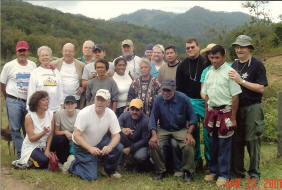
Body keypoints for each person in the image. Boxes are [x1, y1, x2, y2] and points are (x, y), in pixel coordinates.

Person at [229, 35, 268, 182]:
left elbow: (261, 88)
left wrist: (241, 81)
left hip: (253, 107)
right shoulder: (234, 65)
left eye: (242, 46)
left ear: (249, 48)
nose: (239, 49)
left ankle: (254, 174)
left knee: (252, 141)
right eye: (237, 47)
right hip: (236, 107)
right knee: (236, 140)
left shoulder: (257, 65)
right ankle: (238, 172)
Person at [201, 45, 242, 187]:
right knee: (212, 144)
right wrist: (207, 114)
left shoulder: (230, 72)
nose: (214, 60)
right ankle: (213, 171)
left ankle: (224, 174)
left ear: (224, 57)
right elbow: (206, 96)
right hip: (211, 112)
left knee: (224, 144)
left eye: (217, 57)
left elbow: (235, 97)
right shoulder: (208, 73)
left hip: (226, 113)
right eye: (211, 57)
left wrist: (234, 118)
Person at [67, 89, 123, 181]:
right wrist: (89, 148)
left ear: (108, 102)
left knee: (118, 147)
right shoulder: (84, 113)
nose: (100, 103)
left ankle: (108, 171)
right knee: (91, 177)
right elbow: (77, 135)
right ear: (94, 99)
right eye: (98, 99)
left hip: (98, 142)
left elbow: (117, 135)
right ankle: (72, 164)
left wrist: (109, 146)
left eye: (103, 100)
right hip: (81, 146)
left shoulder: (111, 114)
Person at [149, 80, 198, 183]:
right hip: (164, 129)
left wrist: (189, 134)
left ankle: (187, 172)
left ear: (174, 90)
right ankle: (160, 171)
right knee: (154, 144)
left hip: (180, 128)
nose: (166, 93)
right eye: (164, 90)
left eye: (168, 90)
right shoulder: (158, 99)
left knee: (189, 143)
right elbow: (153, 118)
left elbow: (193, 118)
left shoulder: (184, 98)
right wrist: (154, 135)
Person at [0, 40, 36, 158]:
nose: (22, 53)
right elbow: (2, 84)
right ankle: (21, 154)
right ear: (16, 52)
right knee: (15, 128)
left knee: (28, 128)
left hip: (28, 101)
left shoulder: (32, 65)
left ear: (27, 51)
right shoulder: (9, 66)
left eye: (24, 50)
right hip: (13, 100)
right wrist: (8, 98)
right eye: (20, 51)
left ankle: (29, 153)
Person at [176, 37, 207, 171]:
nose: (190, 50)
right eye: (187, 48)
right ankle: (196, 160)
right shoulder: (182, 65)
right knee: (192, 133)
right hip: (189, 102)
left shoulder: (206, 62)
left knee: (208, 134)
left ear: (198, 47)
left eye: (192, 47)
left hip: (205, 101)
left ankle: (210, 163)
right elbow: (179, 88)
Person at [12, 91, 54, 169]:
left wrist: (47, 149)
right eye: (43, 100)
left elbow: (51, 134)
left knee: (48, 161)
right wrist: (43, 132)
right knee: (44, 161)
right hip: (31, 146)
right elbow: (31, 139)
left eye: (47, 100)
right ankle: (23, 163)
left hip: (43, 146)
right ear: (37, 102)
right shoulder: (29, 117)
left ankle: (29, 163)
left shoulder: (51, 114)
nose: (46, 102)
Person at [27, 46, 63, 112]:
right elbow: (31, 92)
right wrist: (30, 109)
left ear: (50, 57)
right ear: (39, 58)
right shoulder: (35, 72)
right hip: (40, 110)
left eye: (47, 55)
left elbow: (60, 91)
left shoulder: (56, 72)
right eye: (42, 56)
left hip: (55, 110)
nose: (45, 57)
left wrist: (61, 105)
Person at [51, 43, 85, 108]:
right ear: (62, 52)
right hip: (59, 99)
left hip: (75, 99)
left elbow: (86, 79)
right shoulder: (54, 64)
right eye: (65, 51)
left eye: (70, 51)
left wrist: (83, 87)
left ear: (74, 52)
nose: (67, 53)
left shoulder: (81, 65)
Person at [118, 99, 150, 169]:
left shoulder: (146, 121)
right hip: (127, 141)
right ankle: (120, 163)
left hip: (141, 145)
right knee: (117, 136)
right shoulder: (124, 115)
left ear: (142, 110)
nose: (134, 112)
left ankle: (140, 166)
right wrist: (122, 129)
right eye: (132, 109)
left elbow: (144, 140)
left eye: (137, 110)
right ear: (129, 109)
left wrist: (130, 149)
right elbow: (115, 126)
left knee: (140, 156)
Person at [51, 95, 80, 165]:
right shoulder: (59, 114)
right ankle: (61, 160)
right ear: (64, 105)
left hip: (76, 137)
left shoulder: (80, 113)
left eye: (72, 103)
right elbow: (56, 132)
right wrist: (65, 132)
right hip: (64, 138)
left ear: (76, 105)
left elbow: (84, 130)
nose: (70, 105)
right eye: (67, 104)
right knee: (59, 139)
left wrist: (73, 135)